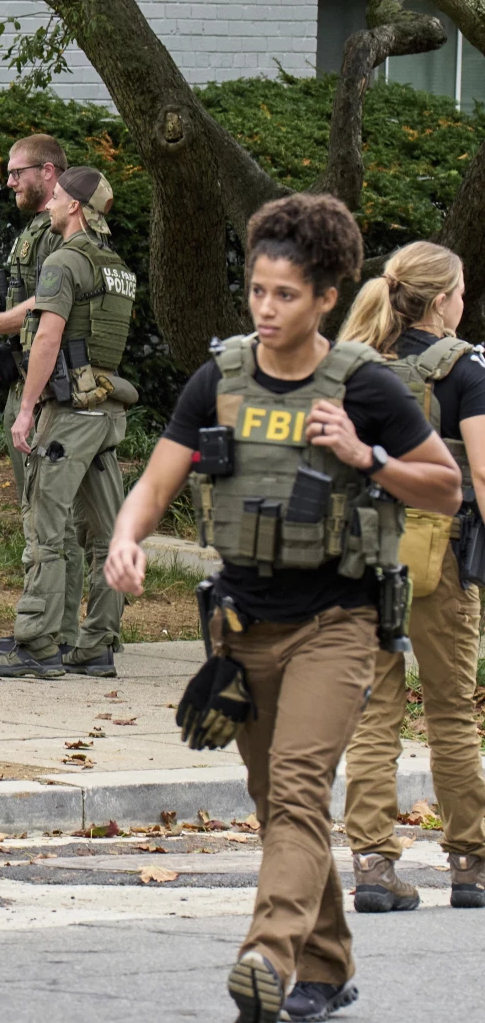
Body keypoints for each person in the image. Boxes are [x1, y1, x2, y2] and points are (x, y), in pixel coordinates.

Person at [105, 194, 460, 1023]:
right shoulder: (220, 379)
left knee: (298, 789)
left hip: (337, 624)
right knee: (278, 804)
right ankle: (326, 967)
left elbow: (445, 486)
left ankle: (266, 955)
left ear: (326, 298)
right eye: (258, 291)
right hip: (241, 628)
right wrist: (126, 539)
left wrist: (368, 456)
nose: (266, 309)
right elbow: (156, 480)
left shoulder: (366, 386)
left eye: (286, 295)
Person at [338, 241, 485, 914]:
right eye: (461, 291)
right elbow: (479, 470)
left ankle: (373, 864)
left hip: (363, 552)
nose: (464, 302)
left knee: (375, 710)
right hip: (440, 554)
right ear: (442, 299)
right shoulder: (464, 368)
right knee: (451, 711)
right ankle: (470, 864)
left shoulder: (354, 363)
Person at [0, 166, 136, 679]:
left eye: (58, 197)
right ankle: (98, 645)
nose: (48, 204)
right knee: (108, 533)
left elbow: (48, 337)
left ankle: (38, 642)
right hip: (106, 413)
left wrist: (26, 409)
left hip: (68, 416)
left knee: (45, 527)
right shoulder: (116, 267)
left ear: (74, 207)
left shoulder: (64, 261)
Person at [0, 134, 91, 660]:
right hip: (29, 382)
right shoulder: (37, 228)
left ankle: (57, 633)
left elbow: (44, 307)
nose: (9, 182)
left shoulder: (63, 231)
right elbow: (22, 299)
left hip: (51, 391)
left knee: (54, 516)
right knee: (38, 510)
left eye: (16, 172)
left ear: (48, 172)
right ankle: (50, 626)